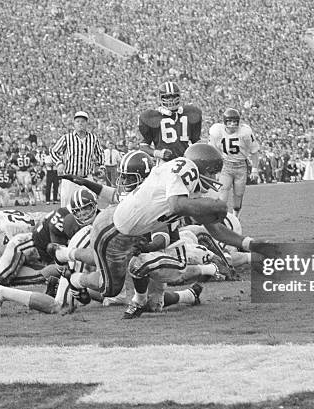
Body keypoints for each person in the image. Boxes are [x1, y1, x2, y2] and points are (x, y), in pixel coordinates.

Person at [50, 143, 280, 319]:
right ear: (201, 167)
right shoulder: (183, 172)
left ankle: (67, 256)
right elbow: (176, 206)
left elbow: (217, 230)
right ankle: (75, 279)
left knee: (128, 272)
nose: (214, 178)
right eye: (212, 171)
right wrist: (215, 205)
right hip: (113, 231)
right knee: (108, 289)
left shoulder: (186, 189)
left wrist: (252, 244)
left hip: (131, 231)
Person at [208, 108, 259, 219]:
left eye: (235, 122)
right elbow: (213, 151)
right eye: (230, 121)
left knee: (238, 194)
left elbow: (254, 151)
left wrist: (255, 168)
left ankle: (236, 217)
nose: (232, 124)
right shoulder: (217, 131)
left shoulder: (245, 132)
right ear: (225, 122)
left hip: (241, 166)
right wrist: (215, 168)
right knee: (223, 191)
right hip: (225, 165)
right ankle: (220, 217)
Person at [50, 111, 104, 207]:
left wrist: (101, 167)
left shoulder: (93, 138)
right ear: (74, 123)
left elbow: (100, 153)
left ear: (87, 123)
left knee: (89, 205)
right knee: (67, 206)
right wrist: (59, 163)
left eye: (83, 121)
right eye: (78, 121)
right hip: (70, 178)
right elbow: (53, 151)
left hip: (86, 178)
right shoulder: (67, 138)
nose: (80, 123)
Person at [139, 81, 201, 163]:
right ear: (160, 98)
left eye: (174, 96)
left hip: (186, 161)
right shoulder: (151, 117)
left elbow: (196, 142)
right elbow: (143, 146)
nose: (171, 100)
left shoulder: (190, 113)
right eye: (167, 97)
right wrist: (159, 153)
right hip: (164, 163)